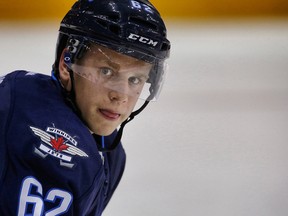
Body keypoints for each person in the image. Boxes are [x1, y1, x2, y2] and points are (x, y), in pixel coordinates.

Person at [0, 0, 170, 215]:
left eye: (135, 80)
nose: (120, 95)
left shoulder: (110, 152)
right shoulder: (31, 119)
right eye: (106, 71)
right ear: (66, 63)